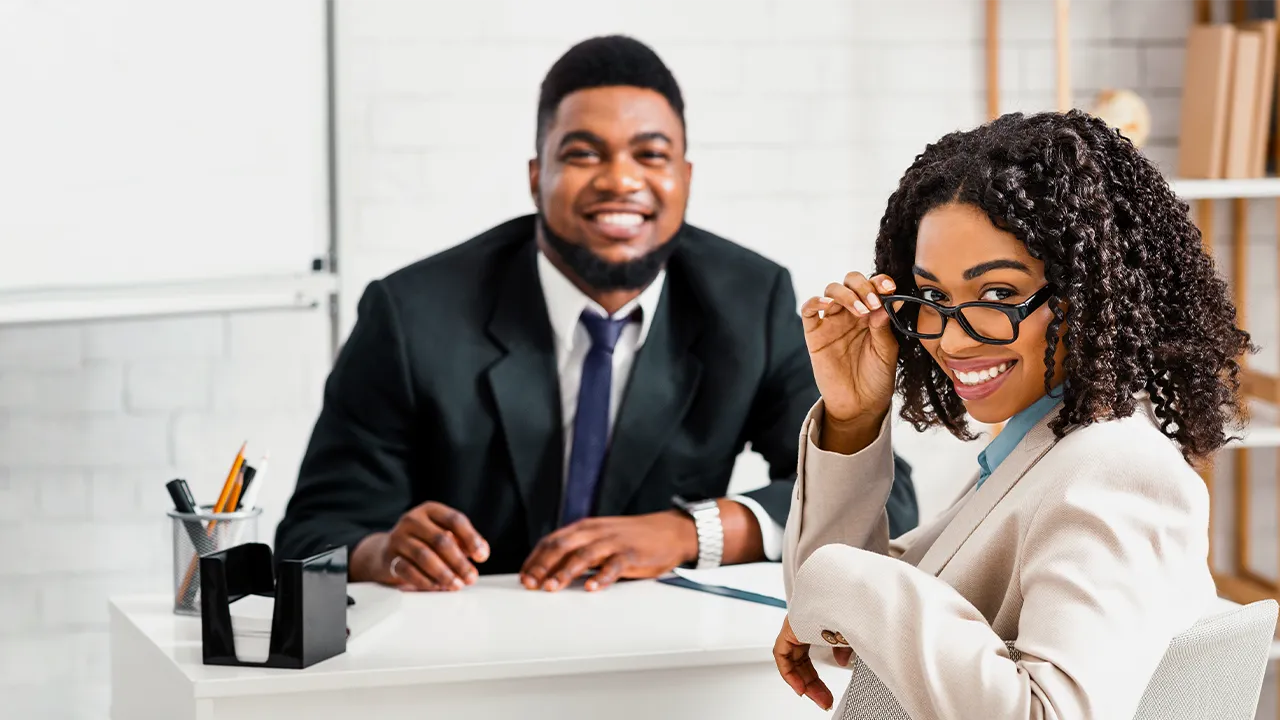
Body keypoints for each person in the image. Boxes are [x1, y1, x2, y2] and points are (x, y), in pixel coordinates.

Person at [274, 35, 918, 593]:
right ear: (536, 175)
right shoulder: (412, 314)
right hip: (461, 655)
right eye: (583, 154)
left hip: (650, 660)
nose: (619, 180)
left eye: (650, 154)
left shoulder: (750, 301)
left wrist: (687, 532)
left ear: (685, 177)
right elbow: (312, 531)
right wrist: (380, 552)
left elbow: (883, 496)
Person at [772, 110, 1251, 717]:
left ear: (1091, 292)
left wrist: (845, 581)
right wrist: (853, 418)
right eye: (935, 299)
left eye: (997, 295)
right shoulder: (1041, 450)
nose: (951, 341)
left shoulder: (1117, 473)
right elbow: (827, 616)